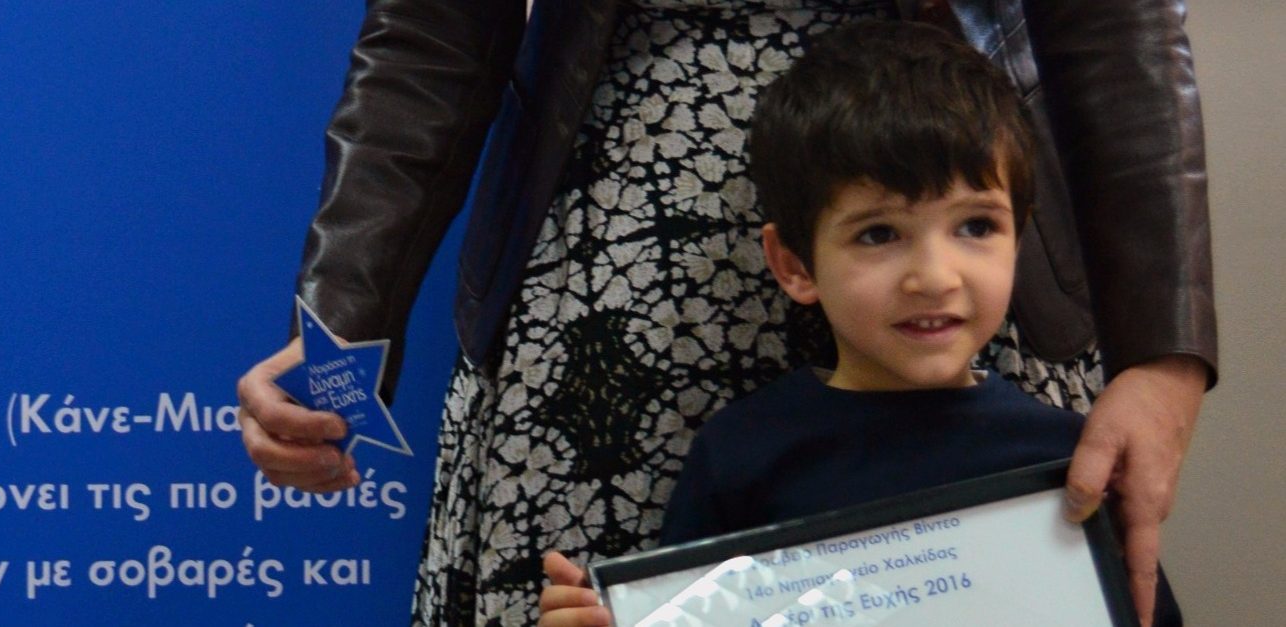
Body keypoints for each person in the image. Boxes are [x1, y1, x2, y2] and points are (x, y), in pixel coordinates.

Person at [237, 1, 1213, 624]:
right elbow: (436, 29)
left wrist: (1165, 353)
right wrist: (340, 321)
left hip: (942, 145)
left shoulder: (961, 292)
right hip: (619, 295)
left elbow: (1111, 22)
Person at [539, 20, 1180, 627]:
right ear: (795, 266)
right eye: (879, 234)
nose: (935, 276)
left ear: (1020, 239)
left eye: (976, 225)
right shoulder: (741, 456)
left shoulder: (1069, 459)